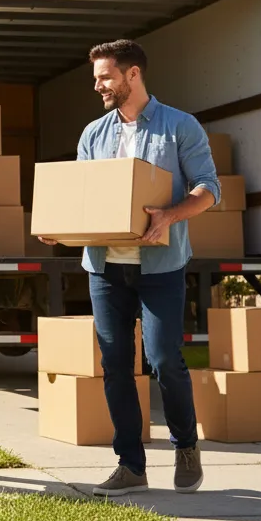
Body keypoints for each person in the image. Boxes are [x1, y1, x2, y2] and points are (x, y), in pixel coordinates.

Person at [39, 39, 220, 496]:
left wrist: (169, 216)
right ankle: (131, 465)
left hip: (160, 264)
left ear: (132, 75)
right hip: (105, 268)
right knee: (116, 365)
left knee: (163, 359)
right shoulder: (93, 134)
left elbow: (208, 189)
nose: (97, 85)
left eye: (104, 77)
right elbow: (85, 196)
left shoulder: (179, 126)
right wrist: (61, 227)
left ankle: (185, 446)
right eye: (97, 77)